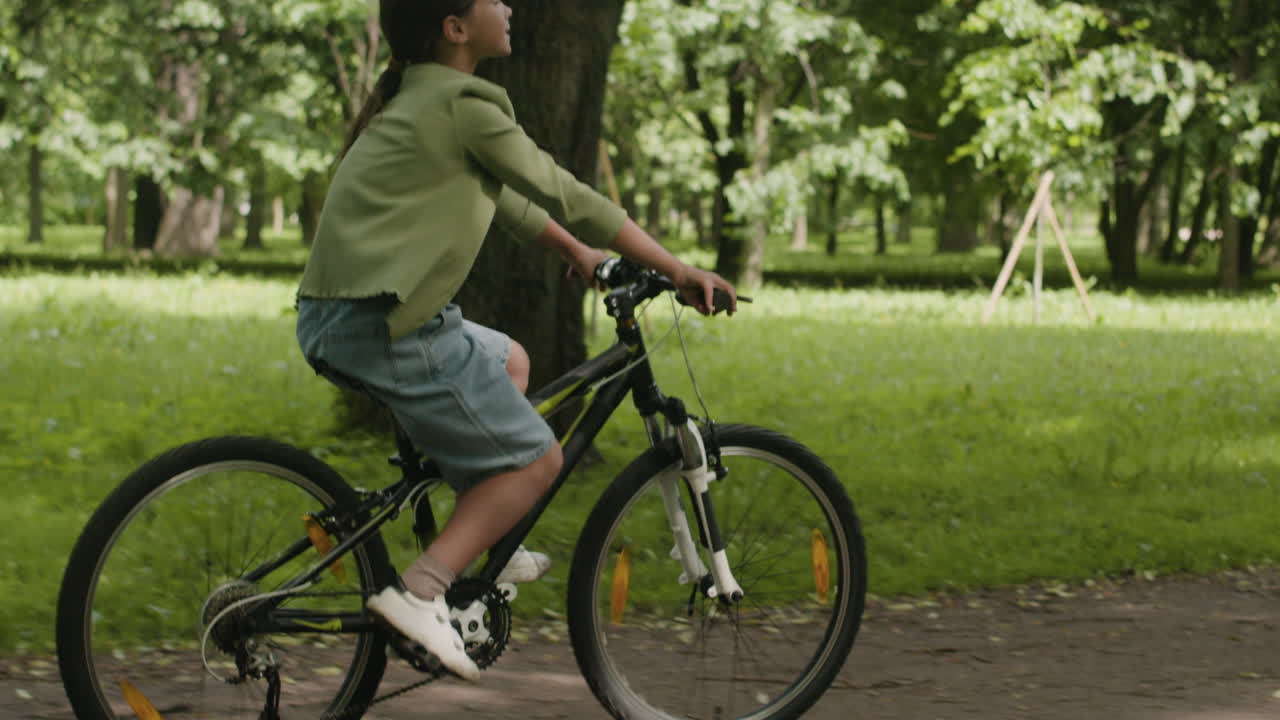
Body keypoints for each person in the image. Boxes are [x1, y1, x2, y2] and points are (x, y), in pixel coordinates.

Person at [295, 0, 736, 682]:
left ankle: (482, 535)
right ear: (454, 27)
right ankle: (422, 591)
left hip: (348, 317)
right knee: (536, 462)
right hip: (385, 325)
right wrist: (675, 269)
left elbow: (507, 195)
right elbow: (561, 188)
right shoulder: (464, 101)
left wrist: (579, 253)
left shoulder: (422, 95)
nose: (508, 6)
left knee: (512, 363)